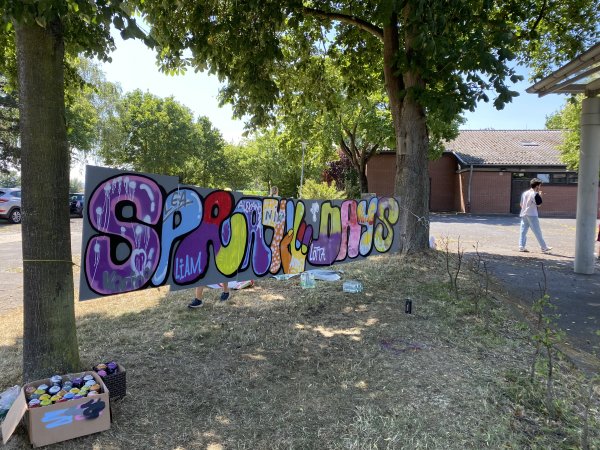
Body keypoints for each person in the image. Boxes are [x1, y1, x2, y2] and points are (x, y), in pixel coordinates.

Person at [518, 177, 552, 253]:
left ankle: (521, 246)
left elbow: (521, 204)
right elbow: (539, 205)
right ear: (537, 186)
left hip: (523, 214)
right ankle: (544, 247)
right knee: (537, 231)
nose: (540, 187)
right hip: (532, 214)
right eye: (540, 185)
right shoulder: (535, 194)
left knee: (523, 231)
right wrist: (540, 195)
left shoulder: (525, 193)